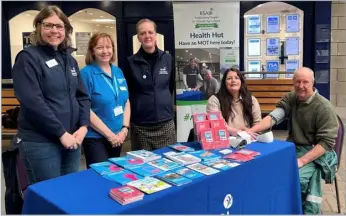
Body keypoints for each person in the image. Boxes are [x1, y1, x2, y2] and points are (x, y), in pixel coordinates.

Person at [12, 5, 90, 185]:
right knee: (48, 197)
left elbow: (82, 97)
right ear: (39, 27)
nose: (54, 30)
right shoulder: (28, 58)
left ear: (66, 31)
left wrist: (84, 127)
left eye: (59, 26)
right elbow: (33, 102)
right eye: (48, 25)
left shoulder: (69, 60)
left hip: (73, 140)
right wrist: (61, 133)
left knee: (67, 192)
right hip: (41, 143)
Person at [248, 67, 339, 214]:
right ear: (293, 82)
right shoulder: (292, 97)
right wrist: (251, 131)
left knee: (293, 179)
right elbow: (274, 117)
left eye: (305, 82)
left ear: (313, 83)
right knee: (267, 169)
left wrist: (302, 161)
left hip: (316, 152)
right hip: (293, 148)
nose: (301, 86)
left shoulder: (324, 107)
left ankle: (297, 209)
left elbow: (326, 143)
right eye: (297, 82)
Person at [124, 18, 176, 151]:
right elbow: (128, 93)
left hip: (166, 123)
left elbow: (169, 86)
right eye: (142, 33)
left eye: (150, 32)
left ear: (155, 35)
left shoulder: (167, 59)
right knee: (144, 168)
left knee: (169, 164)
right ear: (138, 38)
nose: (147, 36)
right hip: (141, 125)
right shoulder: (131, 62)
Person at [80, 33, 130, 168]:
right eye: (100, 47)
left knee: (114, 174)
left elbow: (126, 102)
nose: (105, 51)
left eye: (108, 47)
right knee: (100, 177)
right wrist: (110, 136)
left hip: (118, 136)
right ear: (92, 51)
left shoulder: (118, 71)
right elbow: (85, 108)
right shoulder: (86, 74)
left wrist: (124, 129)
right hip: (96, 138)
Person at [207, 68, 262, 136]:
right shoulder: (214, 100)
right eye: (229, 78)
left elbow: (257, 124)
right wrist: (241, 133)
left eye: (236, 78)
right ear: (224, 83)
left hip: (249, 139)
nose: (233, 80)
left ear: (241, 81)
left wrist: (250, 133)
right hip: (224, 140)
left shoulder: (251, 100)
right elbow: (217, 125)